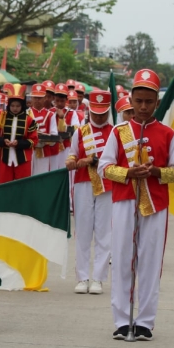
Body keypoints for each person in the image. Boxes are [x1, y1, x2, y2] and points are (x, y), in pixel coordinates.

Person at [98, 69, 174, 341]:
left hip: (155, 205)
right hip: (124, 201)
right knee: (123, 259)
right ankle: (122, 320)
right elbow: (104, 167)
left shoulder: (168, 134)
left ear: (157, 103)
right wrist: (127, 173)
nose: (143, 107)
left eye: (149, 102)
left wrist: (157, 172)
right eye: (139, 101)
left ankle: (145, 321)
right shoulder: (119, 131)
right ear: (131, 101)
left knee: (149, 262)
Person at [66, 90, 113, 295]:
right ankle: (82, 277)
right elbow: (71, 157)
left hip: (108, 185)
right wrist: (75, 163)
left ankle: (98, 279)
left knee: (104, 234)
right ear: (89, 111)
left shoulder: (116, 132)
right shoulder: (81, 132)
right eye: (96, 113)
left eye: (103, 113)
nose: (99, 117)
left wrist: (95, 161)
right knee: (83, 232)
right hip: (84, 183)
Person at [0, 83, 38, 184]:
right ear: (9, 105)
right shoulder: (1, 117)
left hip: (23, 159)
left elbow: (33, 140)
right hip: (4, 158)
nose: (15, 108)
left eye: (18, 106)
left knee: (23, 186)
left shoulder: (29, 120)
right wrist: (3, 141)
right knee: (4, 185)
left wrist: (19, 143)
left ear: (22, 105)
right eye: (12, 105)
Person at [28, 83, 58, 175]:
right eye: (35, 97)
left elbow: (54, 136)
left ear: (45, 98)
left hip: (44, 151)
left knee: (41, 176)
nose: (37, 100)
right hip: (28, 151)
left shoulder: (51, 115)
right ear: (31, 98)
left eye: (40, 98)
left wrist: (42, 138)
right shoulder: (26, 114)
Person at [50, 83, 80, 170]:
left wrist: (62, 119)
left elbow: (76, 129)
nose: (59, 103)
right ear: (54, 99)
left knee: (65, 169)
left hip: (67, 146)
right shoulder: (50, 112)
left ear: (66, 100)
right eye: (57, 100)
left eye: (62, 101)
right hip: (53, 146)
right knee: (53, 169)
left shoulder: (72, 113)